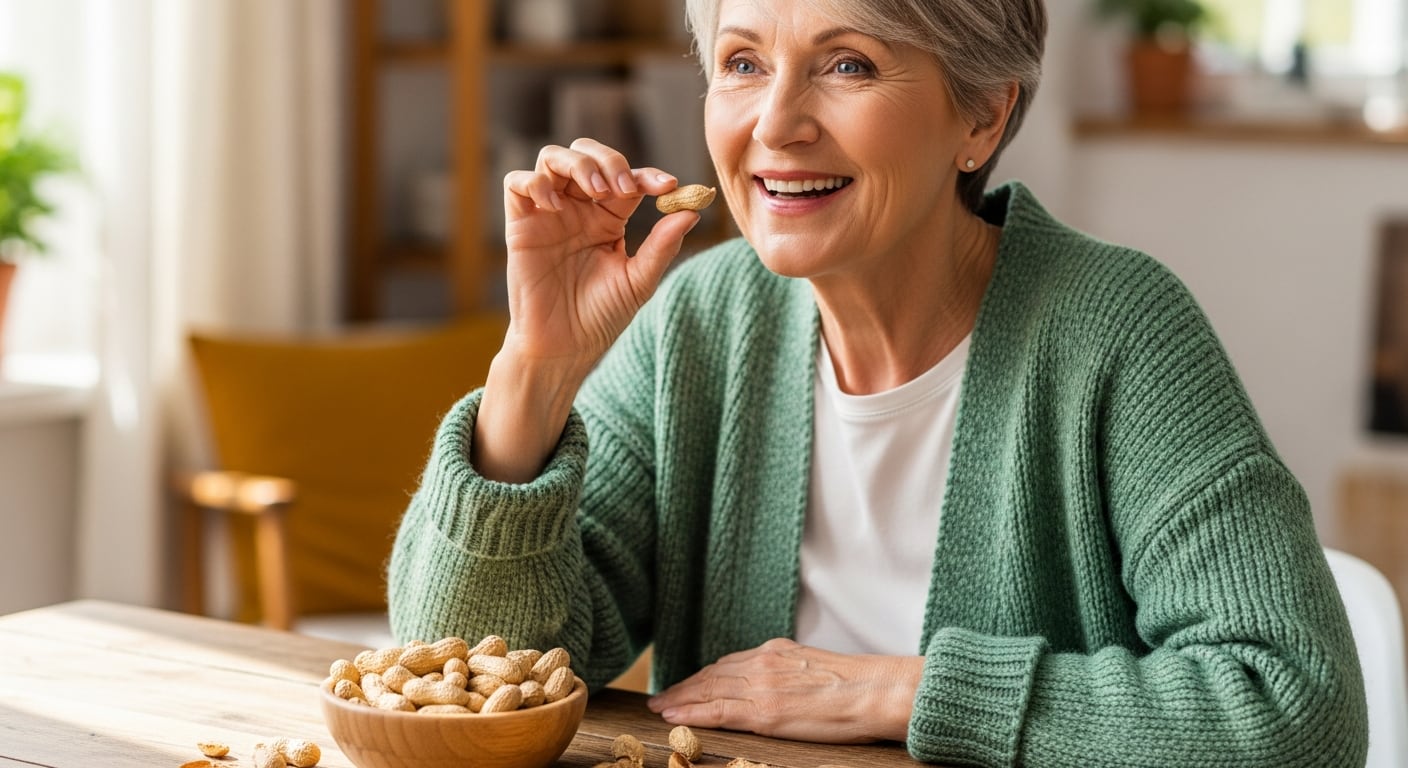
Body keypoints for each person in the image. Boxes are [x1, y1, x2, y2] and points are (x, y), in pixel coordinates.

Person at [388, 0, 1369, 764]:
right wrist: (538, 368)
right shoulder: (699, 322)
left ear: (982, 114)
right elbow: (465, 678)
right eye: (742, 63)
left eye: (848, 64)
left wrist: (894, 691)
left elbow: (1295, 713)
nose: (776, 124)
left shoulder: (1120, 334)